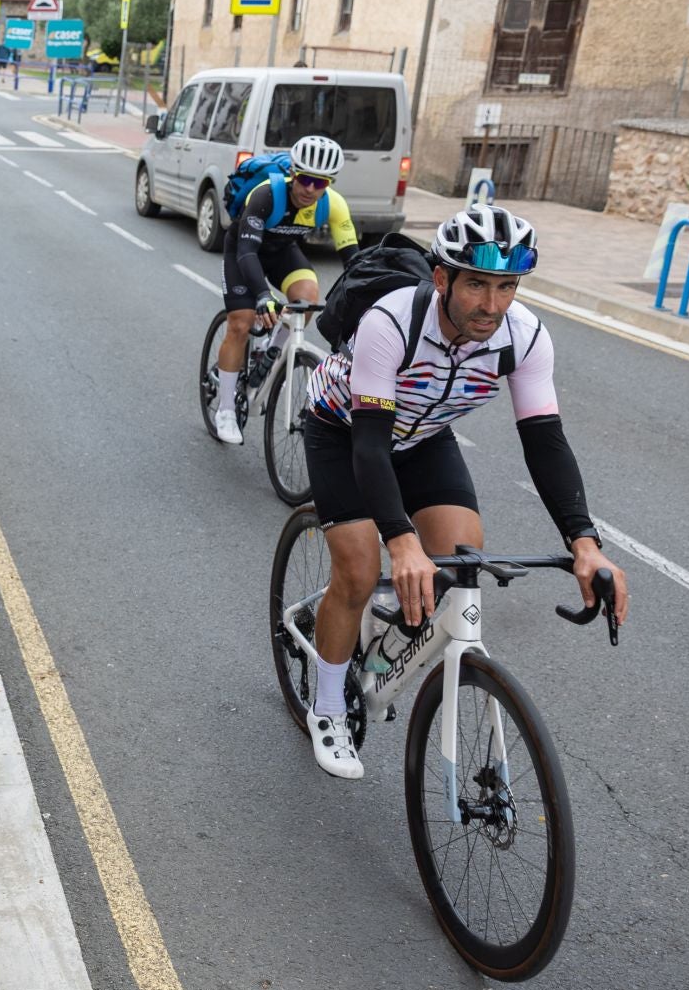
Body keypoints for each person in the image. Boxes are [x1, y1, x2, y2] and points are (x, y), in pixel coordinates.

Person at [298, 205, 630, 779]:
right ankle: (327, 705)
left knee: (460, 559)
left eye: (507, 287)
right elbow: (372, 447)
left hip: (424, 435)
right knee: (358, 568)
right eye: (476, 284)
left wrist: (585, 541)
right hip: (346, 431)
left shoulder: (524, 337)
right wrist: (400, 541)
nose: (492, 305)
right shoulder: (392, 323)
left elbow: (545, 441)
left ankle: (377, 635)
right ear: (442, 278)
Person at [212, 134, 359, 446]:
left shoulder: (334, 205)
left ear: (329, 183)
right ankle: (225, 409)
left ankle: (270, 349)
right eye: (305, 179)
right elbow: (247, 252)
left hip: (281, 252)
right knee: (241, 320)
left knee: (307, 300)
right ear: (294, 173)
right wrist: (264, 295)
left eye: (319, 183)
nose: (310, 189)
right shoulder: (266, 195)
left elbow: (354, 262)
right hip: (243, 252)